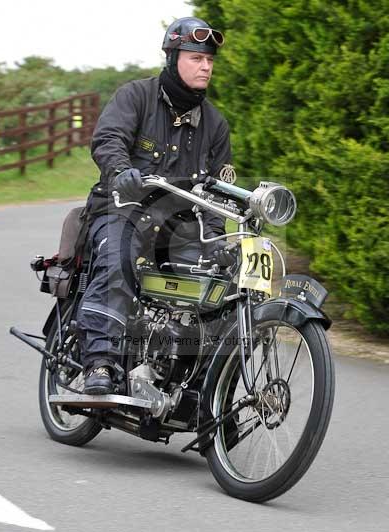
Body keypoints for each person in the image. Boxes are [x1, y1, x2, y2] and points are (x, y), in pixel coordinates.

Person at [77, 16, 233, 395]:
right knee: (119, 259)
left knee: (223, 285)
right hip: (122, 212)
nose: (206, 66)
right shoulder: (136, 96)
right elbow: (109, 139)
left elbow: (215, 193)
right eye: (196, 57)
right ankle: (100, 362)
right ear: (173, 57)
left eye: (210, 60)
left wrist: (217, 241)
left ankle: (203, 390)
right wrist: (121, 171)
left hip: (178, 229)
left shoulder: (215, 124)